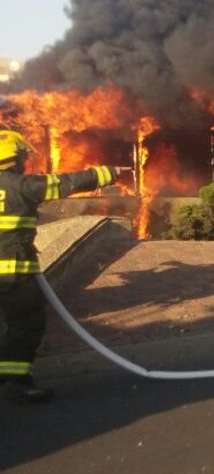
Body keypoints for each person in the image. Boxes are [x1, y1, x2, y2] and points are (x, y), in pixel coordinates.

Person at [0, 130, 127, 403]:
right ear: (15, 157)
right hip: (13, 274)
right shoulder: (21, 186)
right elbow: (63, 183)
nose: (24, 160)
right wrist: (105, 173)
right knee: (26, 324)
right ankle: (15, 383)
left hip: (13, 270)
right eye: (22, 156)